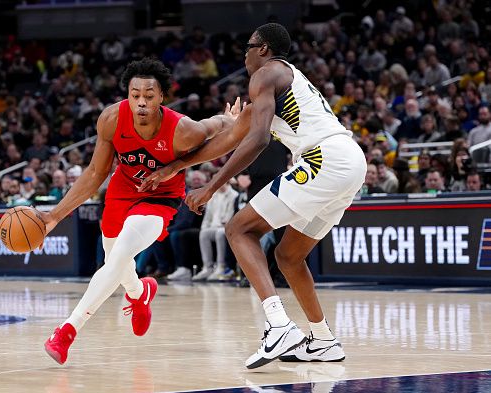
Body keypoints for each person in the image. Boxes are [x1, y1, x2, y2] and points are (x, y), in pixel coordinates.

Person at [140, 23, 366, 369]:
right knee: (289, 256)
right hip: (348, 161)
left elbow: (257, 140)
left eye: (248, 46)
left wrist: (212, 186)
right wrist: (176, 166)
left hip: (324, 158)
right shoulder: (277, 85)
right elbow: (228, 139)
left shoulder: (266, 73)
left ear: (263, 48)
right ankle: (322, 341)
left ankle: (278, 326)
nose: (244, 53)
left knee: (238, 229)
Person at [38, 58, 239, 365]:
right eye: (135, 95)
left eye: (148, 95)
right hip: (122, 189)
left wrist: (229, 121)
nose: (141, 102)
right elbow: (94, 173)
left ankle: (66, 331)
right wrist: (53, 216)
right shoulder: (111, 119)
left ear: (161, 97)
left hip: (161, 196)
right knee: (113, 261)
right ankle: (139, 293)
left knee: (119, 257)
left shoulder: (182, 129)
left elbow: (214, 129)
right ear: (127, 95)